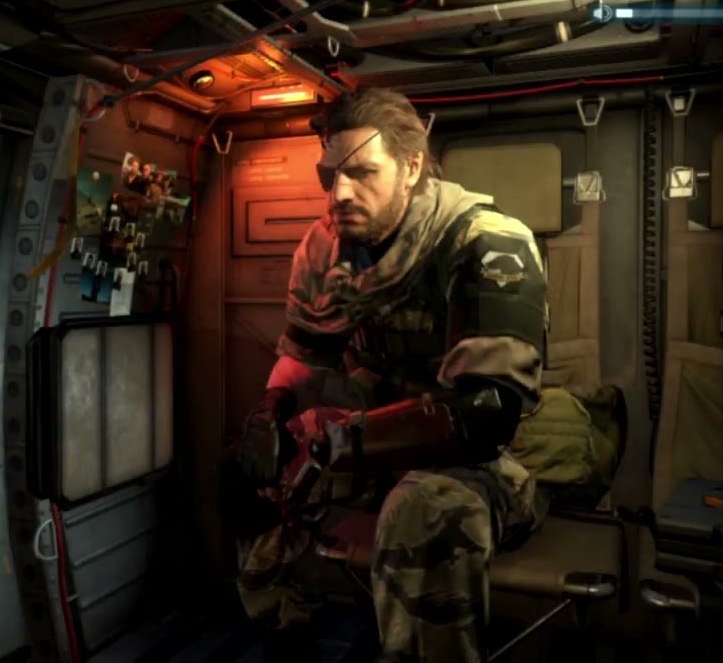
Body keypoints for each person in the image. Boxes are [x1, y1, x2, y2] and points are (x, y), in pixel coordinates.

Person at [222, 87, 551, 663]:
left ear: (412, 167)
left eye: (362, 173)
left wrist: (338, 442)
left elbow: (486, 417)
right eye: (329, 175)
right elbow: (305, 354)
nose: (339, 193)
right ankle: (286, 636)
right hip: (368, 442)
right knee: (248, 472)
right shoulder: (325, 247)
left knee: (425, 508)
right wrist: (269, 413)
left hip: (483, 463)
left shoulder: (485, 242)